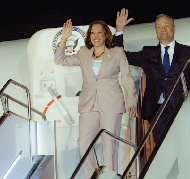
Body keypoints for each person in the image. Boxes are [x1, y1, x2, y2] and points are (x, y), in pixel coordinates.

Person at [54, 19, 137, 178]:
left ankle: (110, 176)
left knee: (109, 145)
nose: (96, 36)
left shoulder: (117, 53)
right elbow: (59, 60)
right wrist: (64, 38)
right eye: (93, 33)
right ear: (89, 36)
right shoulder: (83, 53)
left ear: (106, 34)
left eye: (99, 32)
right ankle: (92, 175)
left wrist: (131, 101)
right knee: (83, 143)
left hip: (111, 104)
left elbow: (127, 79)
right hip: (89, 105)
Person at [114, 9, 190, 144]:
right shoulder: (147, 53)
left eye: (166, 25)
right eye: (159, 27)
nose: (163, 29)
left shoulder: (188, 51)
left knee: (184, 147)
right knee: (162, 151)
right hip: (157, 111)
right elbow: (121, 56)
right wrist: (119, 29)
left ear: (173, 29)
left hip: (182, 109)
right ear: (156, 31)